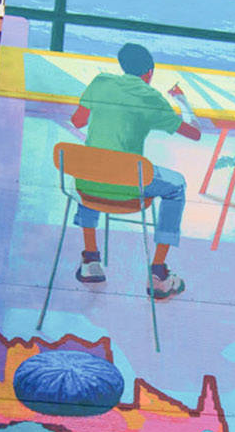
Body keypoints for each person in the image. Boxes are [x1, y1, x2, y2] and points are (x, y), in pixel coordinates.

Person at [68, 42, 201, 301]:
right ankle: (158, 274)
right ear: (149, 73)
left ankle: (91, 261)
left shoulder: (100, 82)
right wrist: (182, 100)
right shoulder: (152, 99)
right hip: (127, 187)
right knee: (176, 186)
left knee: (92, 165)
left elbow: (77, 121)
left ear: (123, 66)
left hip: (89, 185)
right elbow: (194, 133)